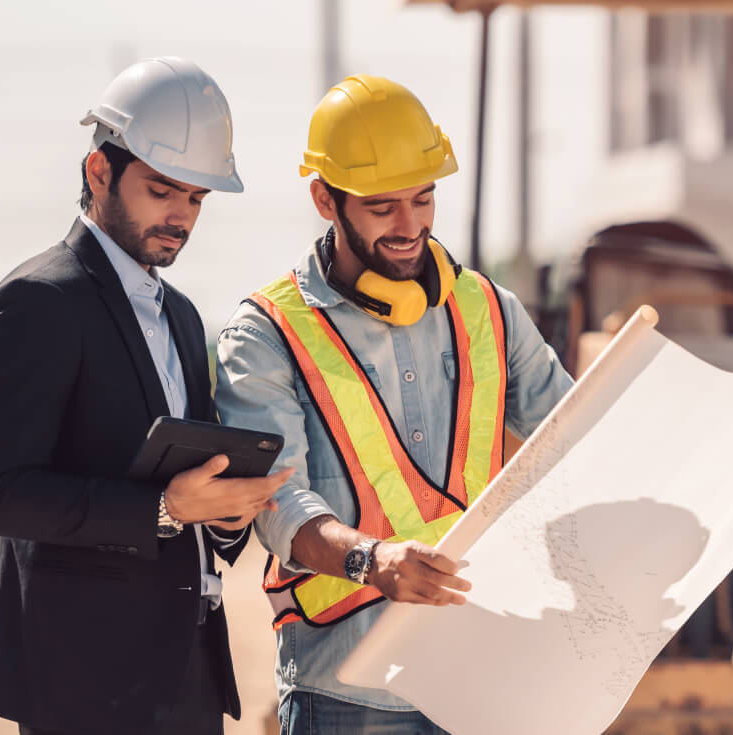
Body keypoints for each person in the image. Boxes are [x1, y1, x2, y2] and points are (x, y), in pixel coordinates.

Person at [214, 74, 574, 733]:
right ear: (325, 198)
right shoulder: (268, 333)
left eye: (424, 198)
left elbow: (577, 437)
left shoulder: (489, 311)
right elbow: (276, 507)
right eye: (383, 207)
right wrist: (370, 560)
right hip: (348, 696)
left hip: (483, 682)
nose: (410, 226)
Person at [0, 57, 292, 735]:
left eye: (197, 199)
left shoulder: (181, 314)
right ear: (99, 173)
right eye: (162, 191)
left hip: (187, 672)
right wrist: (165, 508)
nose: (181, 217)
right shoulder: (37, 302)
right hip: (83, 686)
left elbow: (188, 482)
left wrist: (225, 515)